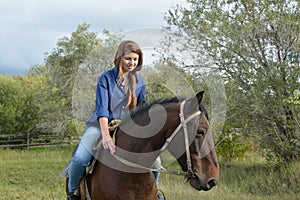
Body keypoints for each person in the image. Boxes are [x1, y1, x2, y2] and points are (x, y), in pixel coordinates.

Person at [66, 40, 163, 200]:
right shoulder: (105, 78)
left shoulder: (140, 82)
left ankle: (154, 193)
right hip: (100, 125)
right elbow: (102, 109)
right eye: (128, 59)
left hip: (127, 128)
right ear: (119, 58)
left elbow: (141, 112)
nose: (132, 63)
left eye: (135, 59)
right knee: (80, 157)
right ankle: (72, 192)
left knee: (156, 161)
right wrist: (105, 135)